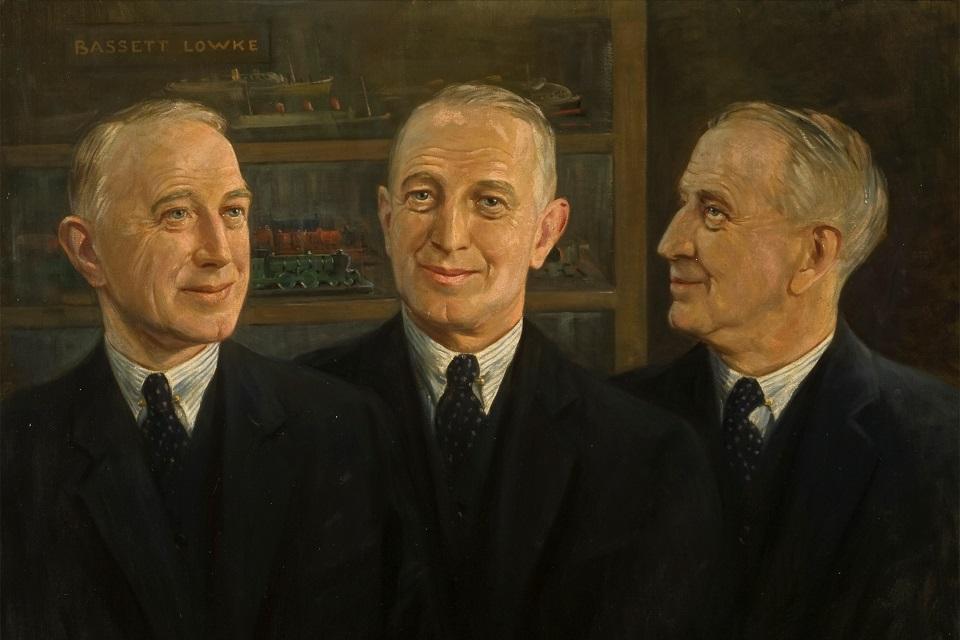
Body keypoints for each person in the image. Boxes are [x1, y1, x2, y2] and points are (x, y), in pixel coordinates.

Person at [298, 83, 720, 639]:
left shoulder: (646, 453)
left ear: (546, 233)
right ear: (387, 218)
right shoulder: (295, 416)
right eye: (422, 196)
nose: (449, 237)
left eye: (489, 202)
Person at [1, 100, 411, 640]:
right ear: (88, 250)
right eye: (176, 214)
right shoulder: (17, 449)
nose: (220, 252)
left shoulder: (344, 431)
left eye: (233, 212)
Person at [613, 102, 959, 639]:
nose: (670, 244)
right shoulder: (610, 420)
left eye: (714, 212)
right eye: (685, 204)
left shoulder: (939, 440)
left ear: (814, 255)